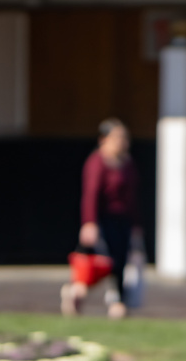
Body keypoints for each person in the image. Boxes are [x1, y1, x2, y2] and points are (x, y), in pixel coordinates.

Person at [61, 118, 143, 319]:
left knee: (121, 260)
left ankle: (117, 301)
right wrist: (89, 223)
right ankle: (77, 291)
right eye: (116, 137)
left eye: (124, 137)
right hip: (103, 220)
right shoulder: (97, 162)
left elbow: (132, 197)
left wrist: (136, 224)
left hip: (122, 220)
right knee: (103, 262)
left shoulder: (127, 163)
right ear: (103, 139)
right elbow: (91, 194)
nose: (121, 142)